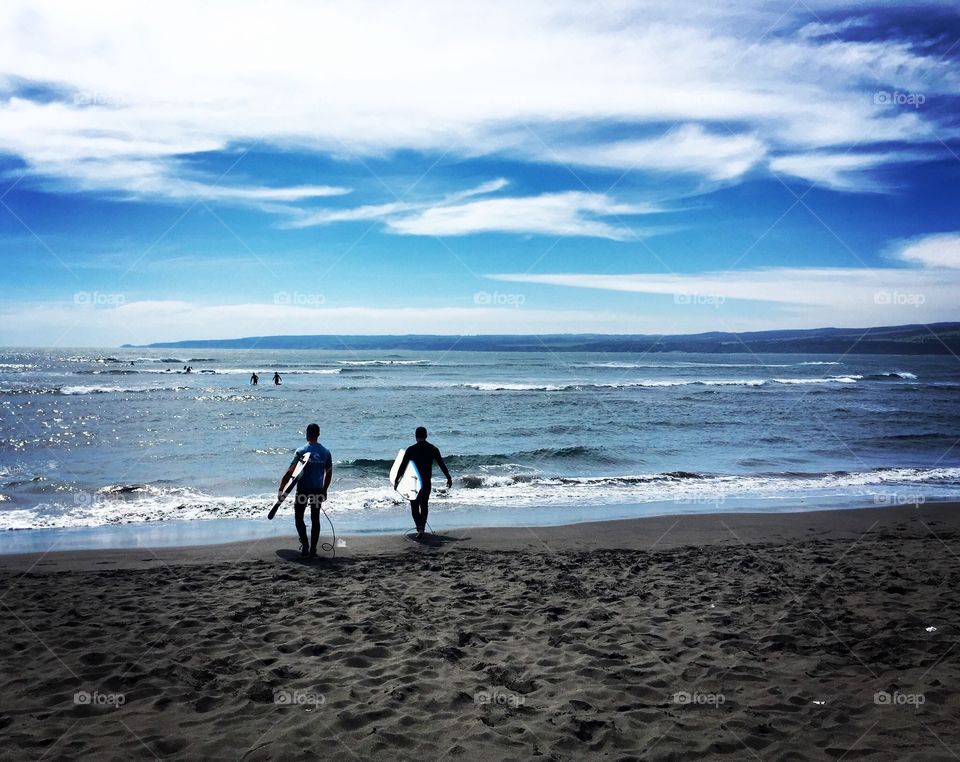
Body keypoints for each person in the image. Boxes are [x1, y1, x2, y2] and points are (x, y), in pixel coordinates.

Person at [279, 423, 332, 557]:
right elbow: (329, 473)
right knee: (315, 519)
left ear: (307, 434)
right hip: (317, 490)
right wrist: (324, 490)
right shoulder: (326, 452)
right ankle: (313, 549)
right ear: (319, 434)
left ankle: (305, 546)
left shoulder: (301, 451)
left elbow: (290, 472)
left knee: (298, 518)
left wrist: (281, 489)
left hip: (303, 489)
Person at [394, 426, 452, 539]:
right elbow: (441, 464)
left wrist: (397, 480)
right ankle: (422, 528)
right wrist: (448, 477)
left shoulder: (411, 449)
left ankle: (419, 528)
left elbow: (402, 466)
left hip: (414, 483)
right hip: (426, 481)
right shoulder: (433, 449)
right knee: (424, 504)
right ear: (426, 436)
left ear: (416, 436)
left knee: (414, 506)